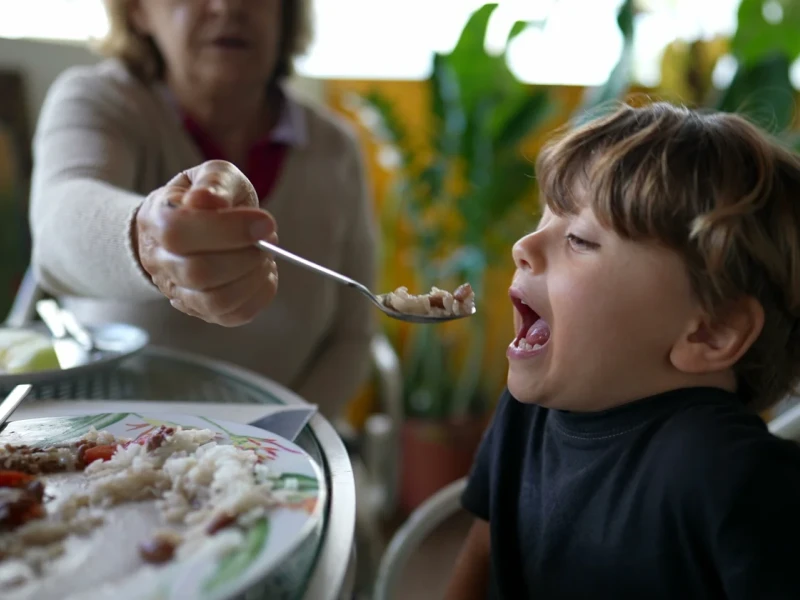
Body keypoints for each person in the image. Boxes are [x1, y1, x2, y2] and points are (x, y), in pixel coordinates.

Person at [445, 102, 800, 599]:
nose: (524, 245)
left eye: (579, 239)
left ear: (711, 332)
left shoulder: (736, 479)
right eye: (544, 217)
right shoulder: (530, 410)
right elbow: (484, 548)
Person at [28, 0, 377, 417]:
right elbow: (58, 223)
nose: (228, 6)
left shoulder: (335, 149)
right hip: (104, 441)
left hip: (276, 456)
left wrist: (278, 437)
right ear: (137, 11)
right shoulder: (97, 100)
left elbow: (353, 336)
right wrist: (150, 239)